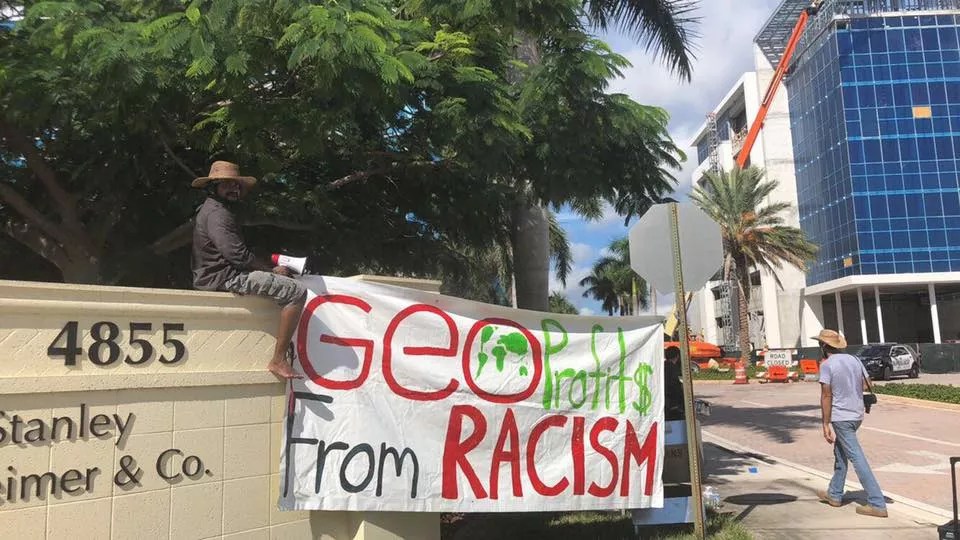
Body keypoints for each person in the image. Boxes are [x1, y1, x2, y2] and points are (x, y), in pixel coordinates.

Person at [191, 161, 306, 380]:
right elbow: (238, 256)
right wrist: (272, 271)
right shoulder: (217, 214)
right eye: (227, 184)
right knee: (296, 292)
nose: (234, 188)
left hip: (217, 275)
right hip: (224, 278)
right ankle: (278, 360)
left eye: (236, 185)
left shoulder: (216, 209)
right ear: (213, 186)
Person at [814, 328, 887, 518]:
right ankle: (834, 494)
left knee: (856, 457)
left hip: (841, 417)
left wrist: (825, 423)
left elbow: (826, 395)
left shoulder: (827, 365)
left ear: (823, 346)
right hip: (857, 414)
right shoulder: (854, 360)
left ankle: (877, 503)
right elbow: (866, 383)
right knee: (840, 453)